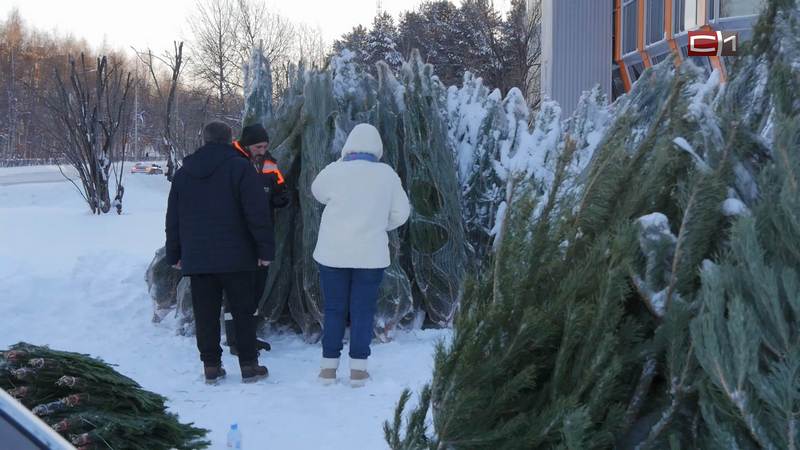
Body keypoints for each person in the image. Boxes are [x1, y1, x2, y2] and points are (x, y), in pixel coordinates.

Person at [165, 121, 273, 384]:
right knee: (243, 311)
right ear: (230, 139)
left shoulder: (184, 173)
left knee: (206, 314)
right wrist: (264, 249)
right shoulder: (240, 168)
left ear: (204, 138)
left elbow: (173, 218)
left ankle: (211, 366)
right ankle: (248, 365)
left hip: (199, 257)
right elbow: (256, 213)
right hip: (238, 256)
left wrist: (174, 254)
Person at [311, 123, 410, 387]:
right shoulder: (386, 175)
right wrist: (379, 224)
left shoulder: (334, 170)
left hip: (332, 253)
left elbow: (317, 192)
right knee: (363, 311)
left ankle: (328, 370)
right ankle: (358, 371)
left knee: (334, 309)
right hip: (370, 255)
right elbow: (402, 213)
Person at [223, 124, 290, 355]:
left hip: (262, 232)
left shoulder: (269, 162)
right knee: (236, 291)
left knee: (255, 290)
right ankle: (234, 339)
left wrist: (281, 196)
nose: (262, 150)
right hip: (236, 235)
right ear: (246, 144)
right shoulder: (232, 160)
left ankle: (247, 336)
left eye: (265, 146)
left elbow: (279, 184)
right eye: (258, 147)